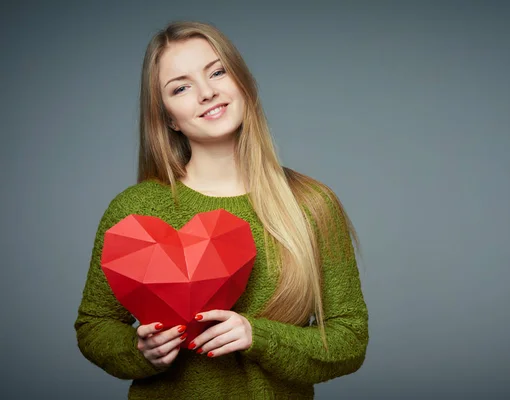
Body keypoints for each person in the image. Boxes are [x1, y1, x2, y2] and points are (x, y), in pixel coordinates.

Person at [74, 20, 369, 399]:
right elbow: (95, 325)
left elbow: (349, 341)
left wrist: (257, 336)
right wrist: (140, 352)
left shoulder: (311, 205)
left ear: (242, 82)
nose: (207, 92)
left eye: (217, 72)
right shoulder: (136, 210)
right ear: (167, 117)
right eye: (181, 87)